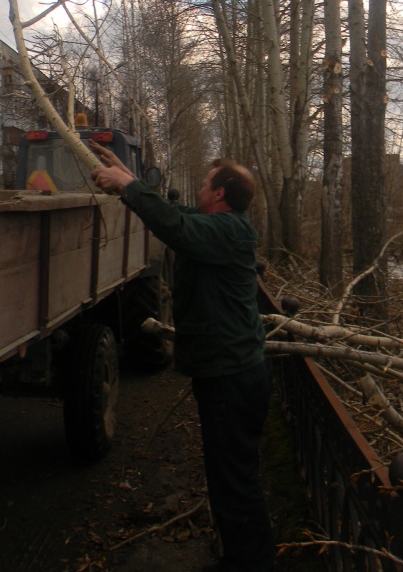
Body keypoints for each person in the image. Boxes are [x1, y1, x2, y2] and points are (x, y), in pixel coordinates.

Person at [90, 143, 274, 572]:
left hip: (233, 377)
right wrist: (126, 181)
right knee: (228, 477)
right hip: (228, 373)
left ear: (220, 194)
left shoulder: (230, 231)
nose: (200, 192)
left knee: (235, 481)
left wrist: (132, 186)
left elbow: (176, 227)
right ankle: (241, 559)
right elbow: (177, 219)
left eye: (206, 185)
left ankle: (250, 565)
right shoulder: (218, 225)